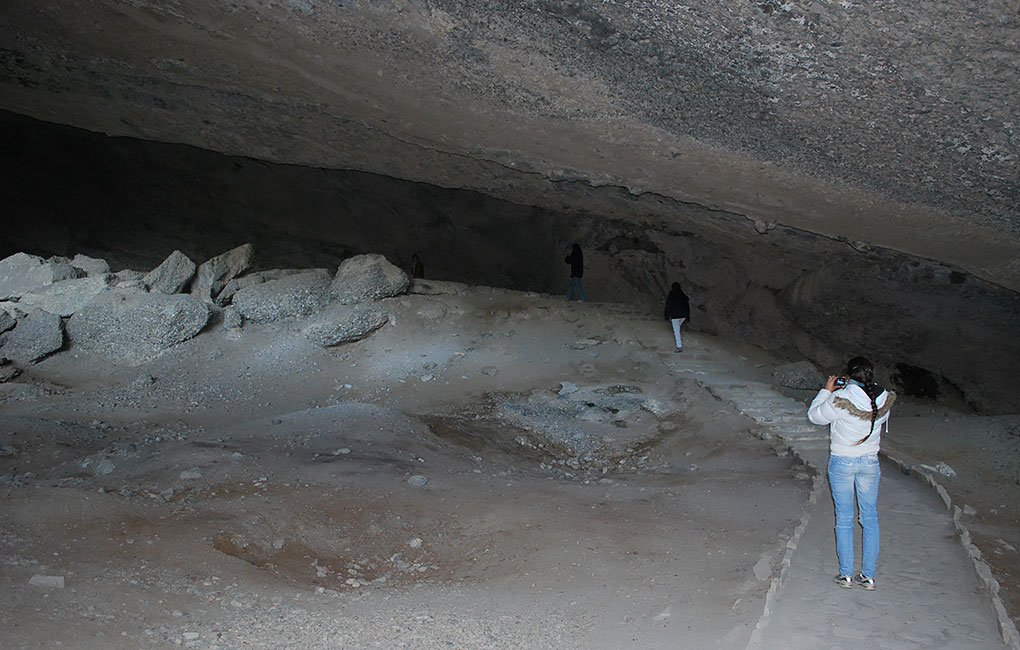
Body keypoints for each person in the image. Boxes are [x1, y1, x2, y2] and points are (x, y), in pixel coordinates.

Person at [808, 356, 896, 591]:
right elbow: (877, 413)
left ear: (849, 374)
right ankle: (868, 576)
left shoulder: (841, 398)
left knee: (845, 518)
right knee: (870, 518)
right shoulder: (883, 397)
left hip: (843, 461)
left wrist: (827, 391)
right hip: (869, 462)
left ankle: (846, 574)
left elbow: (815, 417)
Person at [663, 282, 690, 352]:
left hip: (675, 315)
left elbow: (668, 305)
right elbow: (687, 306)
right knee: (677, 327)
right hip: (683, 315)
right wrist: (688, 317)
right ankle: (679, 344)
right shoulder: (683, 295)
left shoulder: (671, 295)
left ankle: (679, 346)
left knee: (676, 331)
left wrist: (666, 316)